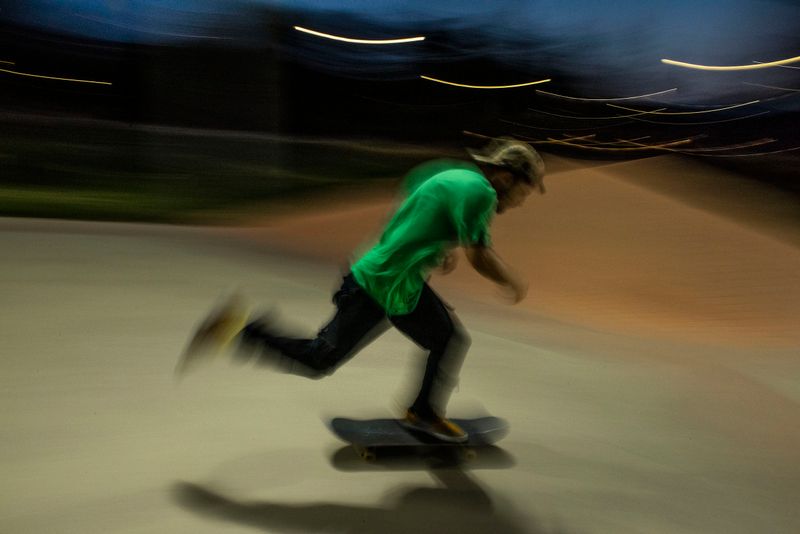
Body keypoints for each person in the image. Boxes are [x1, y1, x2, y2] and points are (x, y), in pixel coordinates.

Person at [178, 137, 546, 443]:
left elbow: (415, 194)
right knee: (323, 359)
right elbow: (481, 256)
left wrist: (436, 250)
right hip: (384, 284)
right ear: (504, 176)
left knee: (444, 338)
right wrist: (511, 281)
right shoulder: (480, 192)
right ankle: (239, 329)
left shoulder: (455, 175)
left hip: (386, 278)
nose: (520, 202)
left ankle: (423, 412)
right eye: (523, 192)